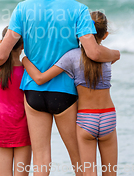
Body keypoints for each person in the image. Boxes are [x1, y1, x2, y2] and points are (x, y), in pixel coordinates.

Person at [0, 0, 120, 176]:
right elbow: (94, 53)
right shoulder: (79, 11)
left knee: (41, 159)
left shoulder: (23, 8)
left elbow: (2, 55)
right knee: (78, 159)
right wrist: (115, 54)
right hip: (65, 93)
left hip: (33, 92)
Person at [22, 11, 117, 176]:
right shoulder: (108, 55)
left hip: (86, 119)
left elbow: (40, 78)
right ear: (106, 34)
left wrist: (24, 59)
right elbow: (115, 55)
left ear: (78, 33)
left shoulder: (71, 57)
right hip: (109, 116)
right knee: (110, 172)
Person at [0, 26, 32, 176]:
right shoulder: (28, 73)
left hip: (1, 133)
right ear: (23, 46)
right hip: (24, 132)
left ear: (2, 43)